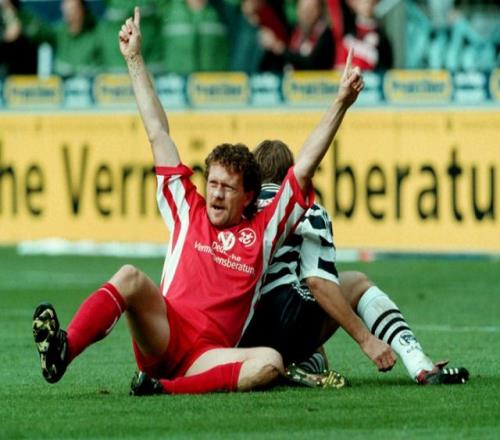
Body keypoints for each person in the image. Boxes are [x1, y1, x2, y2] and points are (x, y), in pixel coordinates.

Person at [32, 7, 364, 395]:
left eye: (227, 188)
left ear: (249, 196)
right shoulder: (187, 209)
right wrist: (134, 59)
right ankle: (63, 349)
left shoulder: (263, 230)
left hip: (209, 355)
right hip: (164, 333)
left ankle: (163, 388)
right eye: (213, 183)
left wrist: (341, 103)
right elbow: (157, 131)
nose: (216, 193)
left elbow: (304, 166)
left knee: (270, 362)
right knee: (130, 276)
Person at [239, 140, 469, 386]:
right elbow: (318, 282)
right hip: (283, 325)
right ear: (291, 173)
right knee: (355, 282)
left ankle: (283, 367)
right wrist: (365, 339)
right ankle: (419, 364)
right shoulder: (306, 209)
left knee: (317, 351)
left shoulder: (238, 208)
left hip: (240, 334)